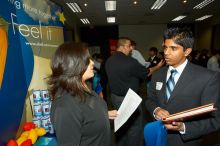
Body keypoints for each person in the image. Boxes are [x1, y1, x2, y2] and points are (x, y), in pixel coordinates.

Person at [145, 27, 220, 146]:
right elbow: (150, 100)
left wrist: (183, 127)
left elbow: (215, 120)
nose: (166, 53)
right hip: (158, 137)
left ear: (187, 51)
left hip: (186, 141)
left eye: (173, 48)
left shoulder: (207, 78)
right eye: (165, 47)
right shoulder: (158, 74)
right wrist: (156, 110)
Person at [48, 42, 117, 146]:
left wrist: (103, 114)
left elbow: (84, 114)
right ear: (73, 64)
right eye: (87, 59)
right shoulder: (65, 106)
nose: (92, 62)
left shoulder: (84, 86)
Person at [105, 37, 164, 146]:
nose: (131, 49)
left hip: (114, 97)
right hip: (129, 99)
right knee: (135, 127)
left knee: (121, 123)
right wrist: (158, 66)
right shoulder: (130, 61)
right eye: (129, 46)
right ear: (122, 46)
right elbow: (147, 72)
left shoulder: (109, 60)